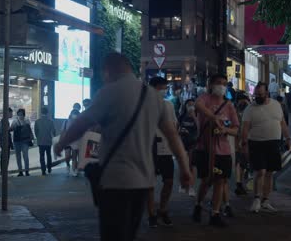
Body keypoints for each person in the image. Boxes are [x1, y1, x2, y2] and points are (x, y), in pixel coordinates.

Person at [53, 53, 191, 241]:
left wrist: (61, 143)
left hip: (115, 180)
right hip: (143, 181)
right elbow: (172, 135)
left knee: (113, 234)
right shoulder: (153, 97)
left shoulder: (109, 92)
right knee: (129, 234)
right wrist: (184, 167)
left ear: (108, 70)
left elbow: (82, 123)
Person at [192, 74, 239, 227]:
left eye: (224, 84)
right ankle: (198, 204)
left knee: (220, 181)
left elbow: (236, 129)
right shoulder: (204, 98)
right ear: (211, 84)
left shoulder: (229, 105)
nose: (222, 86)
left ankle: (215, 213)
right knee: (206, 180)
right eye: (218, 83)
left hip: (223, 151)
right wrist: (214, 118)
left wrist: (225, 129)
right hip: (205, 149)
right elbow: (198, 106)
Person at [241, 82, 291, 213]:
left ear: (267, 93)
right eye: (256, 94)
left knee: (269, 173)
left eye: (260, 94)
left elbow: (282, 123)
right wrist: (244, 143)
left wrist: (288, 138)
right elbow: (245, 128)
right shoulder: (250, 109)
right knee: (260, 171)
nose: (257, 97)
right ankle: (257, 199)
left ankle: (265, 200)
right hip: (256, 143)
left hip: (273, 143)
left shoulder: (276, 106)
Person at [147, 76, 178, 228]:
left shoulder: (169, 105)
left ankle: (163, 209)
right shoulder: (143, 106)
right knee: (150, 183)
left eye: (165, 88)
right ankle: (151, 213)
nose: (164, 91)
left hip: (165, 148)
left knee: (169, 181)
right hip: (149, 148)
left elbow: (173, 126)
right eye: (161, 88)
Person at [178, 99, 199, 197]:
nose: (190, 107)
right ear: (185, 106)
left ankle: (191, 187)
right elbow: (176, 128)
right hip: (182, 143)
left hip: (194, 143)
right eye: (188, 105)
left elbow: (200, 129)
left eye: (192, 105)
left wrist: (194, 117)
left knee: (193, 165)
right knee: (183, 164)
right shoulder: (182, 116)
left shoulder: (197, 116)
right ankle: (182, 184)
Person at [234, 94, 250, 196]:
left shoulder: (248, 111)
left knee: (242, 164)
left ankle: (240, 183)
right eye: (242, 101)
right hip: (240, 142)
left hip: (247, 141)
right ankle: (239, 184)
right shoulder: (235, 112)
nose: (243, 103)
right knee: (240, 163)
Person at [11, 109, 34, 177]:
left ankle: (26, 170)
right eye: (19, 114)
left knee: (25, 156)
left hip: (24, 141)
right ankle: (20, 171)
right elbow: (11, 128)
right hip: (17, 141)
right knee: (19, 157)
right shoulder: (15, 121)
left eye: (21, 114)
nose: (20, 116)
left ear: (23, 114)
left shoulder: (26, 121)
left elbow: (29, 130)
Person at [35, 107, 56, 176]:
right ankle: (49, 167)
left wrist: (38, 137)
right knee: (48, 155)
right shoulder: (50, 121)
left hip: (40, 141)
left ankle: (43, 170)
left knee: (42, 156)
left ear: (41, 113)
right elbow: (53, 131)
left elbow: (36, 131)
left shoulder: (37, 121)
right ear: (47, 113)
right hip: (48, 141)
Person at [63, 109, 81, 176]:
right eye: (74, 114)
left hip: (76, 141)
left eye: (76, 114)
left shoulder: (80, 122)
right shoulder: (66, 121)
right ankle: (68, 165)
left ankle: (74, 170)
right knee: (67, 156)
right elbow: (63, 131)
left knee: (74, 157)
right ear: (71, 114)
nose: (75, 115)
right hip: (67, 141)